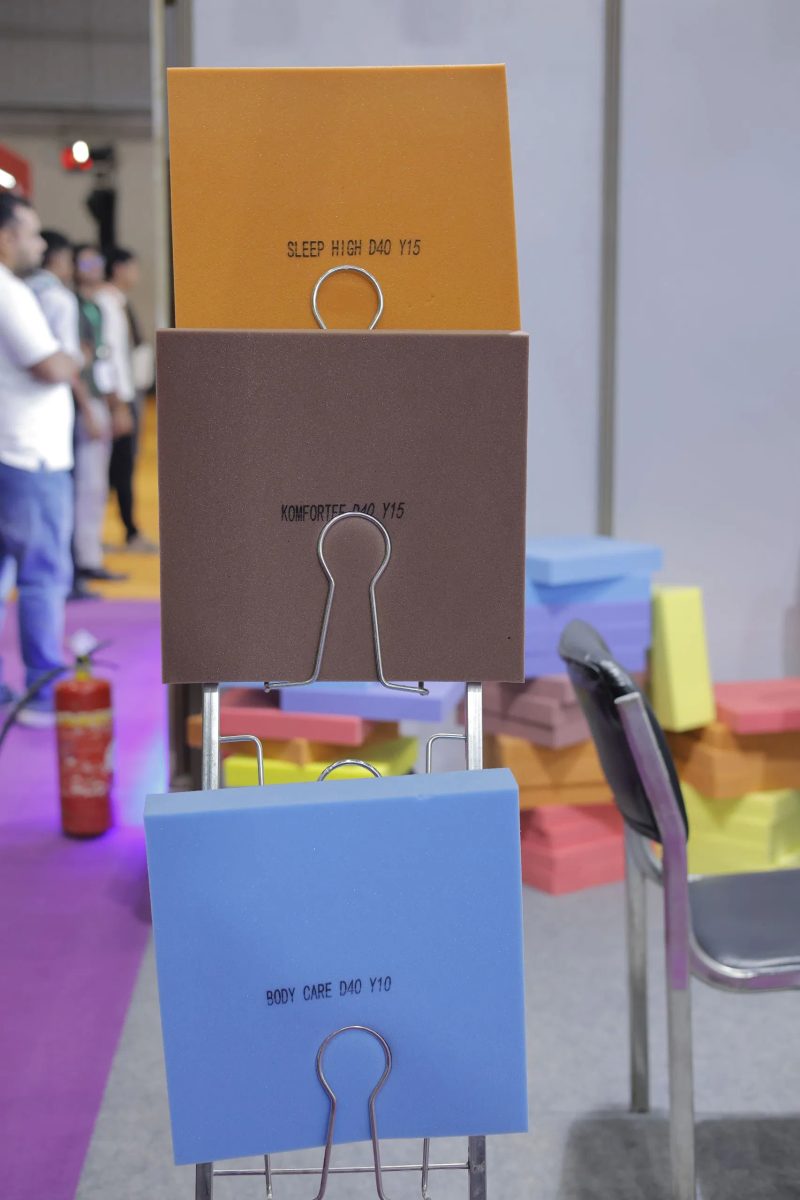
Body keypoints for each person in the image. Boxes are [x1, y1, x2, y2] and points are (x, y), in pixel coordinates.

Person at [0, 194, 79, 725]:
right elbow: (49, 366)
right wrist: (74, 358)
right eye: (31, 233)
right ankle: (42, 691)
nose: (39, 243)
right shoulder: (9, 291)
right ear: (6, 236)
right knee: (42, 576)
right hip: (30, 456)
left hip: (13, 449)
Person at [72, 244, 131, 584]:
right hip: (86, 403)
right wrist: (92, 408)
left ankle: (88, 552)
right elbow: (79, 362)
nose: (93, 267)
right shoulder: (74, 306)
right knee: (87, 483)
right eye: (86, 262)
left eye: (97, 261)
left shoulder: (95, 307)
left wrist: (115, 403)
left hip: (98, 398)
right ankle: (84, 557)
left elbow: (103, 359)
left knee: (95, 485)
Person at [97, 246, 156, 553]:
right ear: (118, 268)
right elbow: (109, 356)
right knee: (117, 465)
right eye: (133, 267)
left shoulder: (118, 302)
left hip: (129, 392)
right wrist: (118, 402)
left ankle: (121, 530)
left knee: (121, 465)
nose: (137, 274)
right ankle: (127, 531)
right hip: (118, 396)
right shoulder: (106, 303)